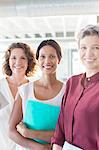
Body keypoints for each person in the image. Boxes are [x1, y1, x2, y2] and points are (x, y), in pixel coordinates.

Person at [8, 39, 66, 150]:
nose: (47, 61)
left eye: (52, 56)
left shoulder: (67, 91)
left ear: (59, 60)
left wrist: (29, 133)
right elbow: (11, 131)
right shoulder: (25, 91)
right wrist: (40, 147)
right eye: (43, 57)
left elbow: (67, 133)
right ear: (38, 60)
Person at [51, 24, 99, 150]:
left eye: (96, 48)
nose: (88, 53)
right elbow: (61, 121)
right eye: (83, 47)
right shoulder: (72, 82)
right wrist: (57, 146)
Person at [0, 42, 36, 150]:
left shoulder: (33, 89)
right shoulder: (1, 88)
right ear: (8, 61)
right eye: (13, 58)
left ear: (29, 61)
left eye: (23, 58)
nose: (18, 62)